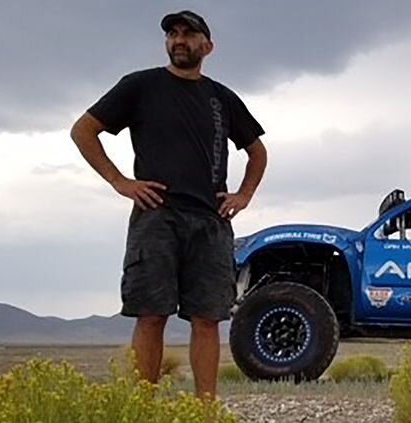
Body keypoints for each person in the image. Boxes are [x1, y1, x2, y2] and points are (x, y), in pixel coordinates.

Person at [69, 10, 268, 400]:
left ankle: (204, 410)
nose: (179, 40)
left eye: (189, 34)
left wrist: (244, 195)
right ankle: (143, 408)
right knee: (151, 314)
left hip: (210, 221)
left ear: (207, 47)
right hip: (156, 216)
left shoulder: (222, 98)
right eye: (173, 33)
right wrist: (120, 181)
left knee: (207, 319)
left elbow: (257, 151)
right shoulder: (140, 86)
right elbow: (84, 130)